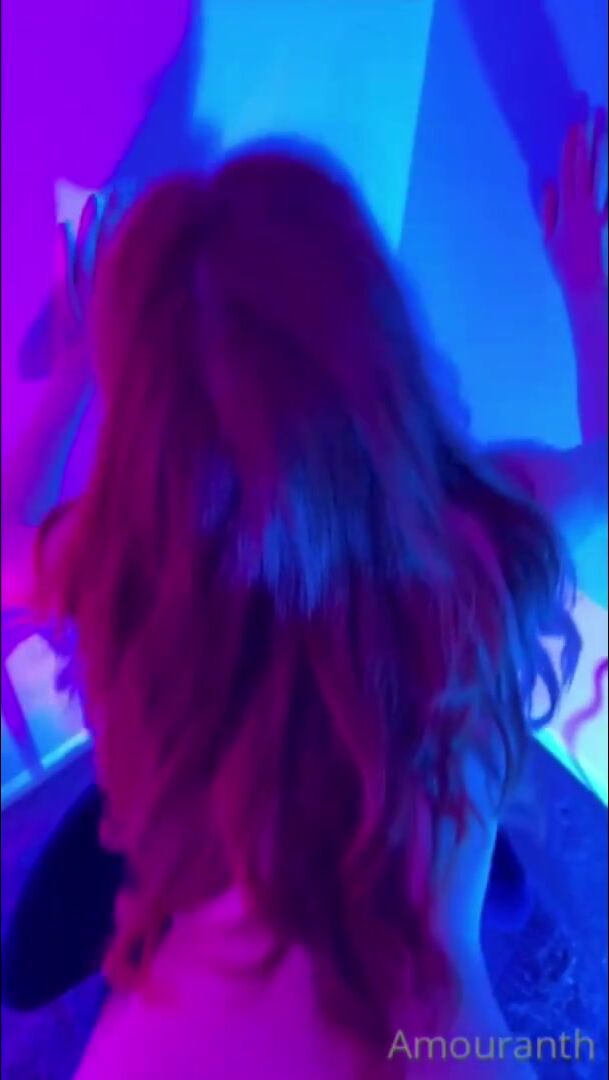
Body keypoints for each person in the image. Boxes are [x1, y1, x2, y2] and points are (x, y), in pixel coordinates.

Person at [1, 112, 607, 1076]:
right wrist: (581, 284)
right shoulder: (484, 530)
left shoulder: (132, 555)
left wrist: (71, 374)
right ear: (387, 360)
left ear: (149, 439)